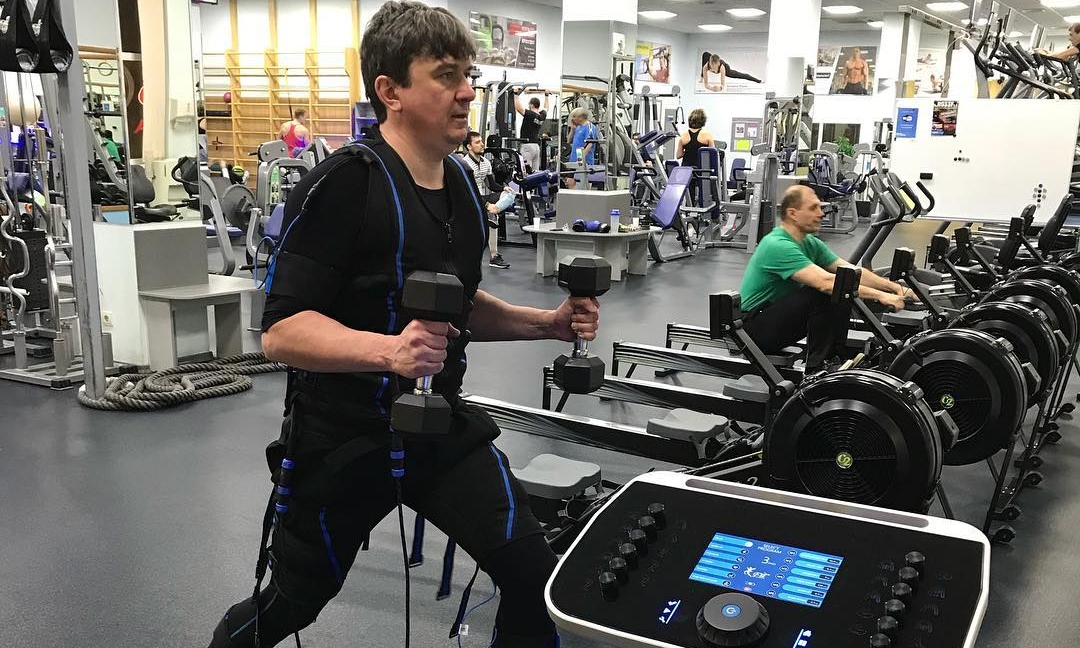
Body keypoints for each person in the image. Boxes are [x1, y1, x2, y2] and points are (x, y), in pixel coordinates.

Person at [205, 3, 599, 647]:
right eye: (445, 75)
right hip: (344, 439)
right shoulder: (343, 184)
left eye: (468, 74)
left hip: (438, 426)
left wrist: (546, 324)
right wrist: (389, 351)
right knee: (291, 604)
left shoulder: (462, 186)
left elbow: (454, 306)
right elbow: (280, 331)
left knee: (534, 575)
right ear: (389, 91)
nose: (466, 91)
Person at [739, 185, 910, 373]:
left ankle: (835, 357)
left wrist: (894, 288)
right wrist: (881, 296)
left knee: (842, 284)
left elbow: (851, 271)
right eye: (813, 208)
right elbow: (826, 283)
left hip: (774, 318)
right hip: (751, 330)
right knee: (826, 292)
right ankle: (819, 369)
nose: (821, 213)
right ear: (793, 213)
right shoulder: (777, 245)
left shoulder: (810, 242)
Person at [461, 130, 510, 269]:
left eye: (482, 141)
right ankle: (491, 213)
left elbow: (491, 185)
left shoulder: (486, 163)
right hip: (468, 198)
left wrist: (504, 188)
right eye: (477, 142)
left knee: (508, 196)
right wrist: (487, 205)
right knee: (490, 214)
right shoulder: (464, 164)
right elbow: (468, 191)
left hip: (482, 198)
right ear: (469, 146)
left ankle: (492, 213)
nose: (482, 144)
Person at [514, 89, 549, 173]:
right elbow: (546, 108)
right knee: (535, 173)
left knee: (525, 172)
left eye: (529, 104)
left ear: (532, 105)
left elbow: (519, 108)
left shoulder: (530, 114)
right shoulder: (542, 116)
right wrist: (546, 96)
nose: (528, 106)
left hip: (527, 146)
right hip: (536, 147)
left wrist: (515, 94)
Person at [566, 107, 597, 189]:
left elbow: (589, 144)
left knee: (582, 184)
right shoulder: (578, 127)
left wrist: (580, 160)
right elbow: (568, 141)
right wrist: (572, 129)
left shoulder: (590, 127)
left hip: (583, 160)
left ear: (581, 117)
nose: (572, 119)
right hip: (573, 160)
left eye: (574, 116)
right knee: (569, 182)